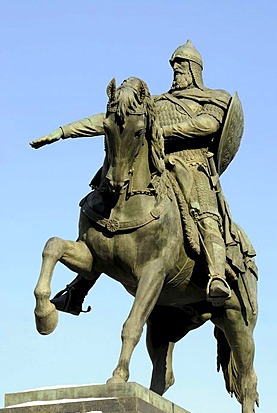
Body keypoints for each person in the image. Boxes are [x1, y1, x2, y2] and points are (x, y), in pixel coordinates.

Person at [31, 40, 242, 312]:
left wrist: (158, 132)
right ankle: (77, 289)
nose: (176, 69)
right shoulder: (156, 103)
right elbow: (110, 120)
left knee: (205, 214)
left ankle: (216, 277)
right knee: (108, 210)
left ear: (195, 68)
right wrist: (62, 131)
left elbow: (207, 125)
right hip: (156, 163)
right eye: (173, 65)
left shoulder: (215, 97)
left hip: (192, 166)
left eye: (181, 64)